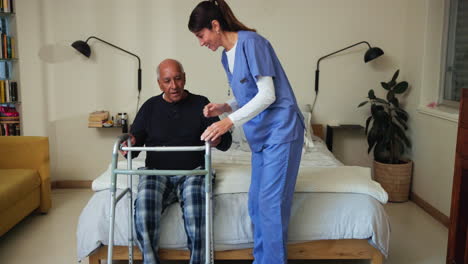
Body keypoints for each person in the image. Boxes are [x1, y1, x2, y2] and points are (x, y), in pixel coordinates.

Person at [188, 1, 305, 264]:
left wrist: (228, 121)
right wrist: (225, 105)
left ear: (215, 26)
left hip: (281, 131)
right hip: (261, 136)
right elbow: (248, 94)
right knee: (256, 202)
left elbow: (268, 95)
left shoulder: (252, 43)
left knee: (271, 203)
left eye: (201, 35)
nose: (201, 42)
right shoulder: (225, 56)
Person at [123, 58, 232, 264]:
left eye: (178, 79)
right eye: (167, 81)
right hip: (156, 172)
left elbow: (226, 141)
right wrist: (129, 143)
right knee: (144, 210)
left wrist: (217, 138)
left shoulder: (201, 103)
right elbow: (134, 143)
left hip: (192, 172)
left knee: (197, 213)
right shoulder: (150, 107)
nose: (174, 86)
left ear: (184, 78)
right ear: (159, 84)